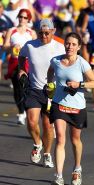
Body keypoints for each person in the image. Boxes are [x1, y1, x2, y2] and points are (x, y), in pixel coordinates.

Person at [47, 32, 94, 185]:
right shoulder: (56, 60)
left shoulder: (82, 63)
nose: (69, 46)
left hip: (77, 107)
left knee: (75, 140)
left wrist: (79, 85)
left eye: (73, 44)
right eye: (68, 43)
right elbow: (50, 72)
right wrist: (49, 85)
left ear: (79, 47)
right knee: (60, 138)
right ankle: (59, 176)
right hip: (59, 105)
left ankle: (77, 169)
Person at [18, 18, 65, 167]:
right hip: (34, 89)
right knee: (31, 122)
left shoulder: (60, 47)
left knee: (47, 125)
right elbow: (21, 56)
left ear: (53, 31)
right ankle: (38, 144)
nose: (43, 36)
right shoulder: (30, 45)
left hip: (52, 91)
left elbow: (68, 64)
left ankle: (47, 154)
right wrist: (21, 69)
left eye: (46, 33)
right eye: (40, 33)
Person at [3, 8, 37, 125]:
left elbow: (37, 49)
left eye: (25, 17)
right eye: (20, 17)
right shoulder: (11, 31)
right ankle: (21, 112)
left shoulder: (31, 33)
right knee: (17, 88)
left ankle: (26, 110)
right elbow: (4, 46)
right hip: (14, 61)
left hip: (27, 63)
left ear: (29, 20)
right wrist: (11, 47)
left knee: (25, 87)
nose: (22, 19)